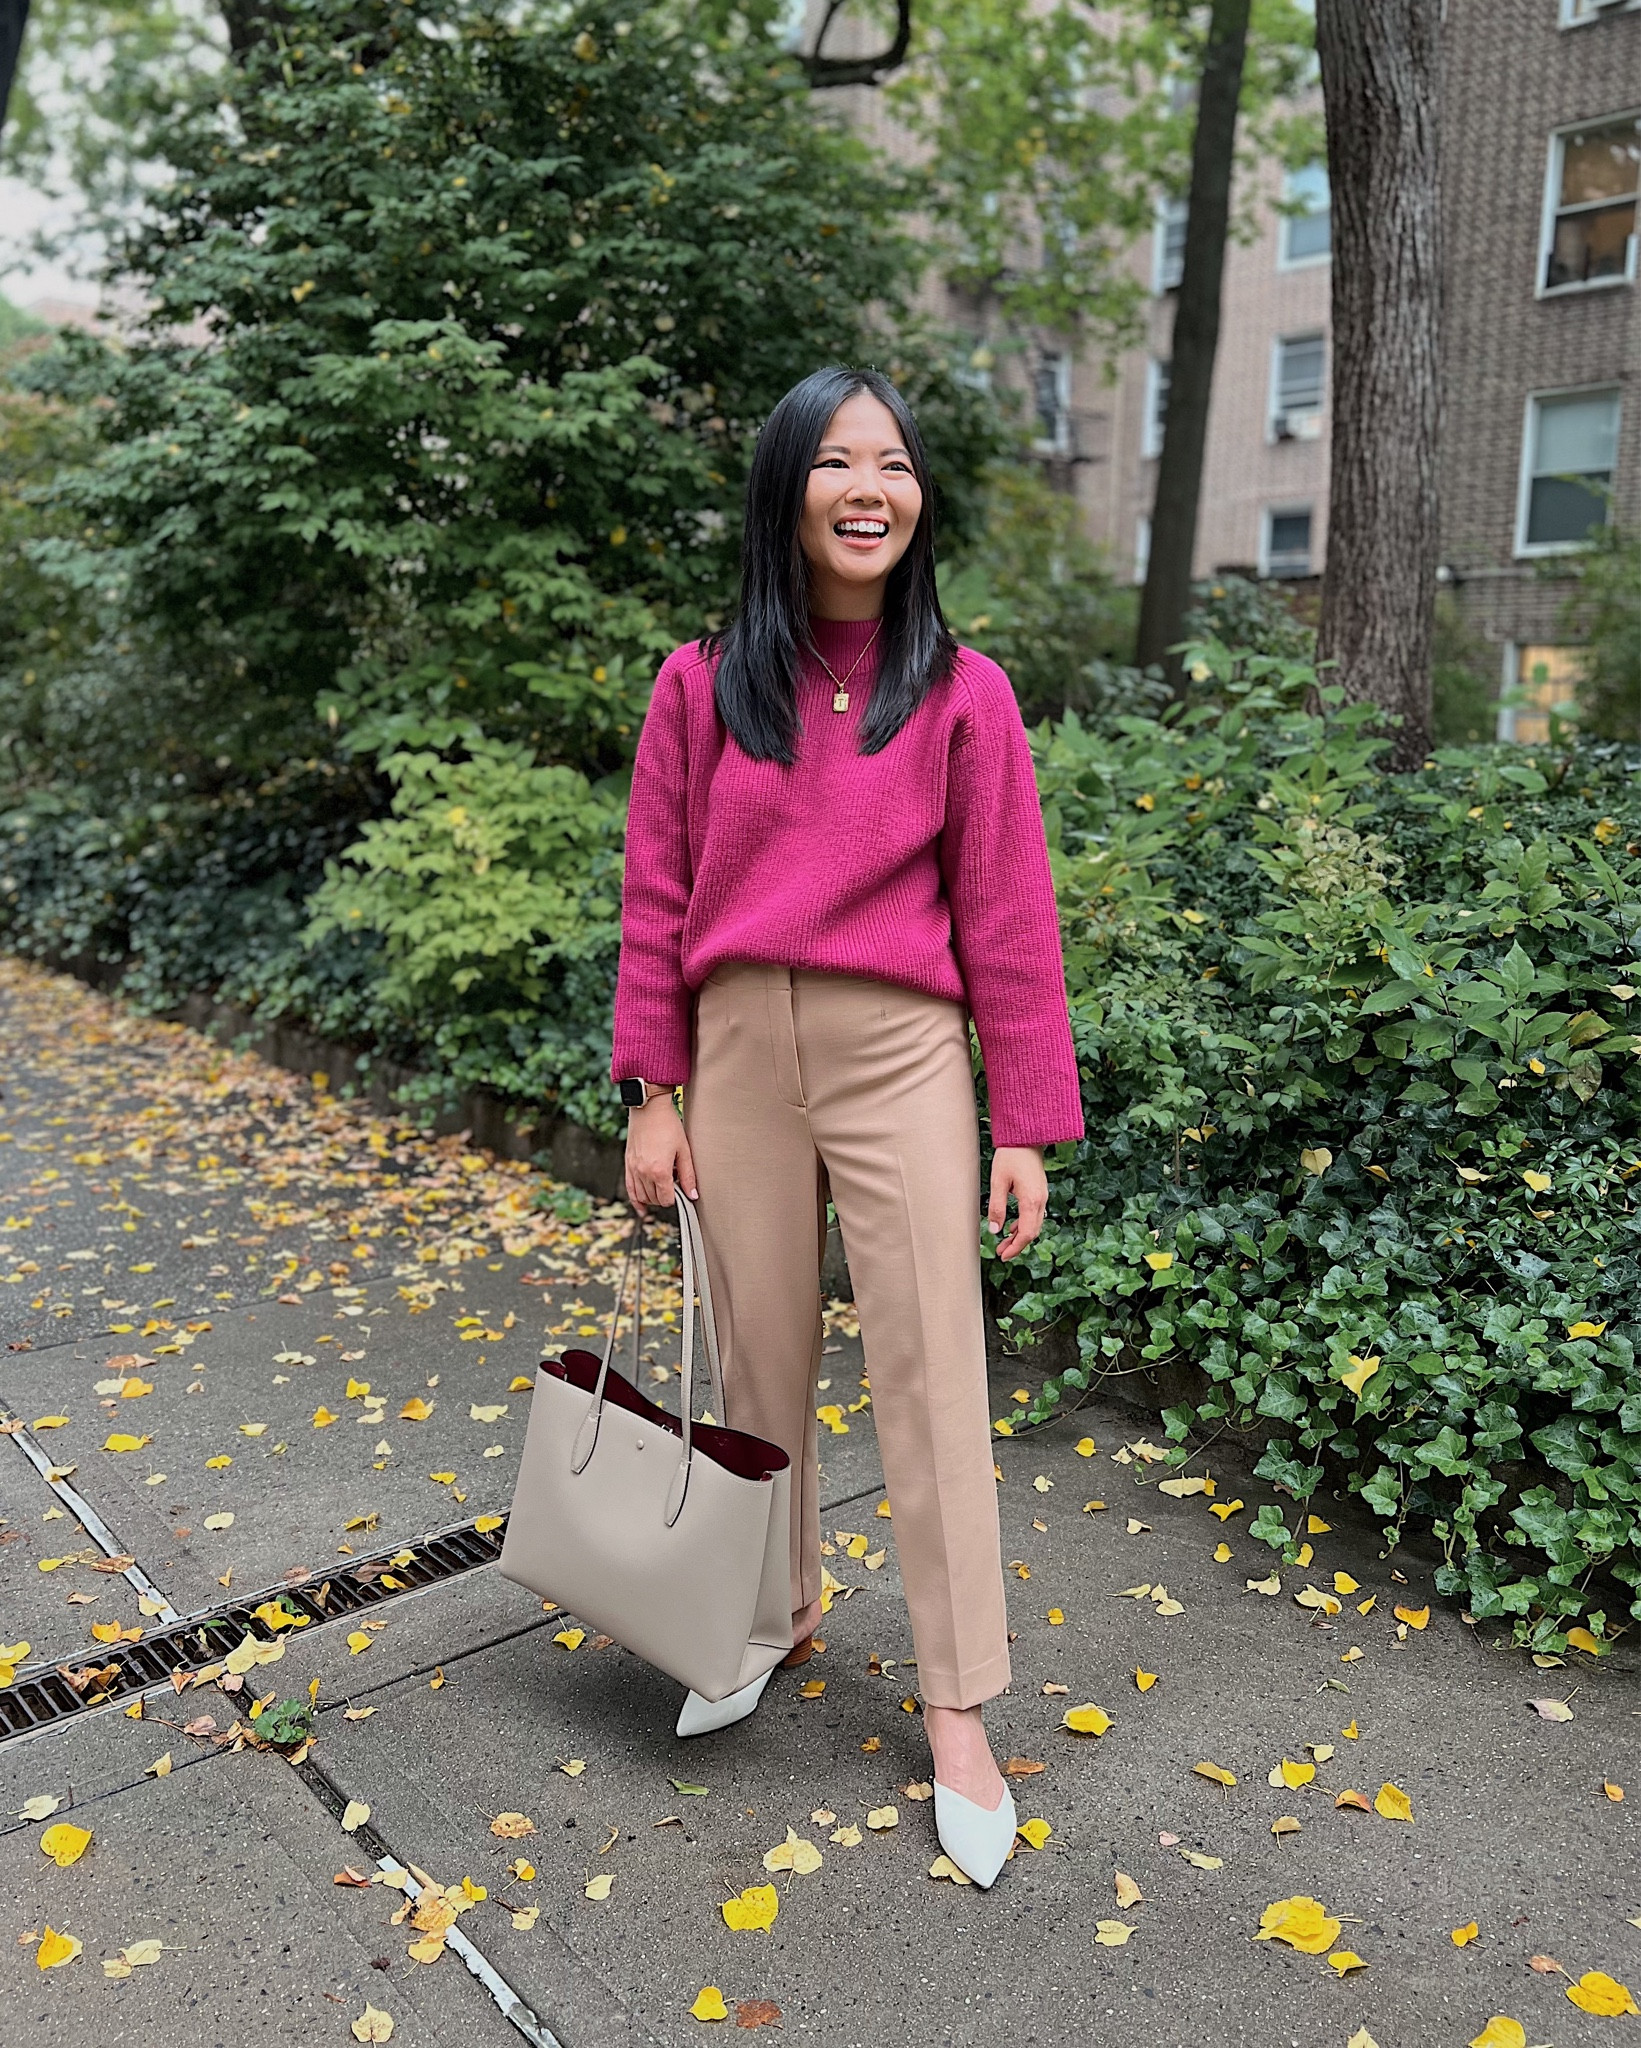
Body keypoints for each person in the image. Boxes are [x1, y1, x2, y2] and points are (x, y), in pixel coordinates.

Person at [610, 364, 1084, 1887]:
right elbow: (656, 892)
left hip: (901, 1051)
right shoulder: (701, 683)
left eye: (892, 464)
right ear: (785, 490)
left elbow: (1007, 916)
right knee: (757, 1361)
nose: (868, 489)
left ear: (916, 499)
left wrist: (1024, 1123)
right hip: (739, 1048)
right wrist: (655, 1091)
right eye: (834, 461)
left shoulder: (963, 693)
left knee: (932, 1370)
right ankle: (768, 1615)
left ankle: (958, 1706)